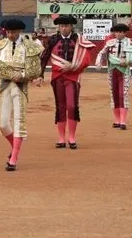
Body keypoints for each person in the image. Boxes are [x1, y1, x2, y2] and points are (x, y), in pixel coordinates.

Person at [0, 19, 44, 171]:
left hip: (20, 87)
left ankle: (14, 158)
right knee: (3, 125)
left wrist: (22, 75)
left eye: (13, 32)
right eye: (8, 32)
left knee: (19, 121)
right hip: (4, 86)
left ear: (19, 32)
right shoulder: (0, 45)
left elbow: (35, 70)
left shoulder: (30, 47)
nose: (10, 35)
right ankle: (15, 147)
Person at [39, 16, 95, 149]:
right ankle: (61, 138)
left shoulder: (78, 39)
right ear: (59, 27)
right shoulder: (53, 40)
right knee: (60, 106)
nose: (64, 28)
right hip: (57, 76)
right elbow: (45, 56)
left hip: (73, 76)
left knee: (72, 106)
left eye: (66, 26)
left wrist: (73, 67)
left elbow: (85, 59)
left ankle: (72, 137)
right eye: (62, 26)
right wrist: (40, 74)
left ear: (71, 27)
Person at [95, 24, 132, 129]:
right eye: (117, 32)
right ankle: (117, 120)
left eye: (121, 32)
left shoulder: (131, 42)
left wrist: (128, 61)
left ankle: (123, 121)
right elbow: (101, 53)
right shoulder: (110, 43)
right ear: (114, 33)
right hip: (112, 71)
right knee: (114, 95)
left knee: (123, 95)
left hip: (124, 71)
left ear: (125, 33)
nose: (119, 34)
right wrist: (99, 62)